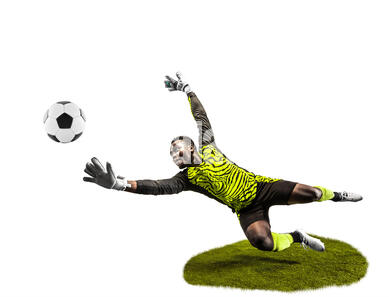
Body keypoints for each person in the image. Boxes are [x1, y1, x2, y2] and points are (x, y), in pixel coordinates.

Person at [83, 72, 362, 253]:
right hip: (245, 208)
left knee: (312, 194)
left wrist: (187, 89)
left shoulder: (209, 146)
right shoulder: (185, 180)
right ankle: (298, 237)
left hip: (261, 187)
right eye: (172, 154)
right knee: (262, 242)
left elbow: (201, 117)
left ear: (191, 147)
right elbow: (155, 186)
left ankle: (337, 196)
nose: (175, 154)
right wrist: (118, 184)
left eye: (178, 149)